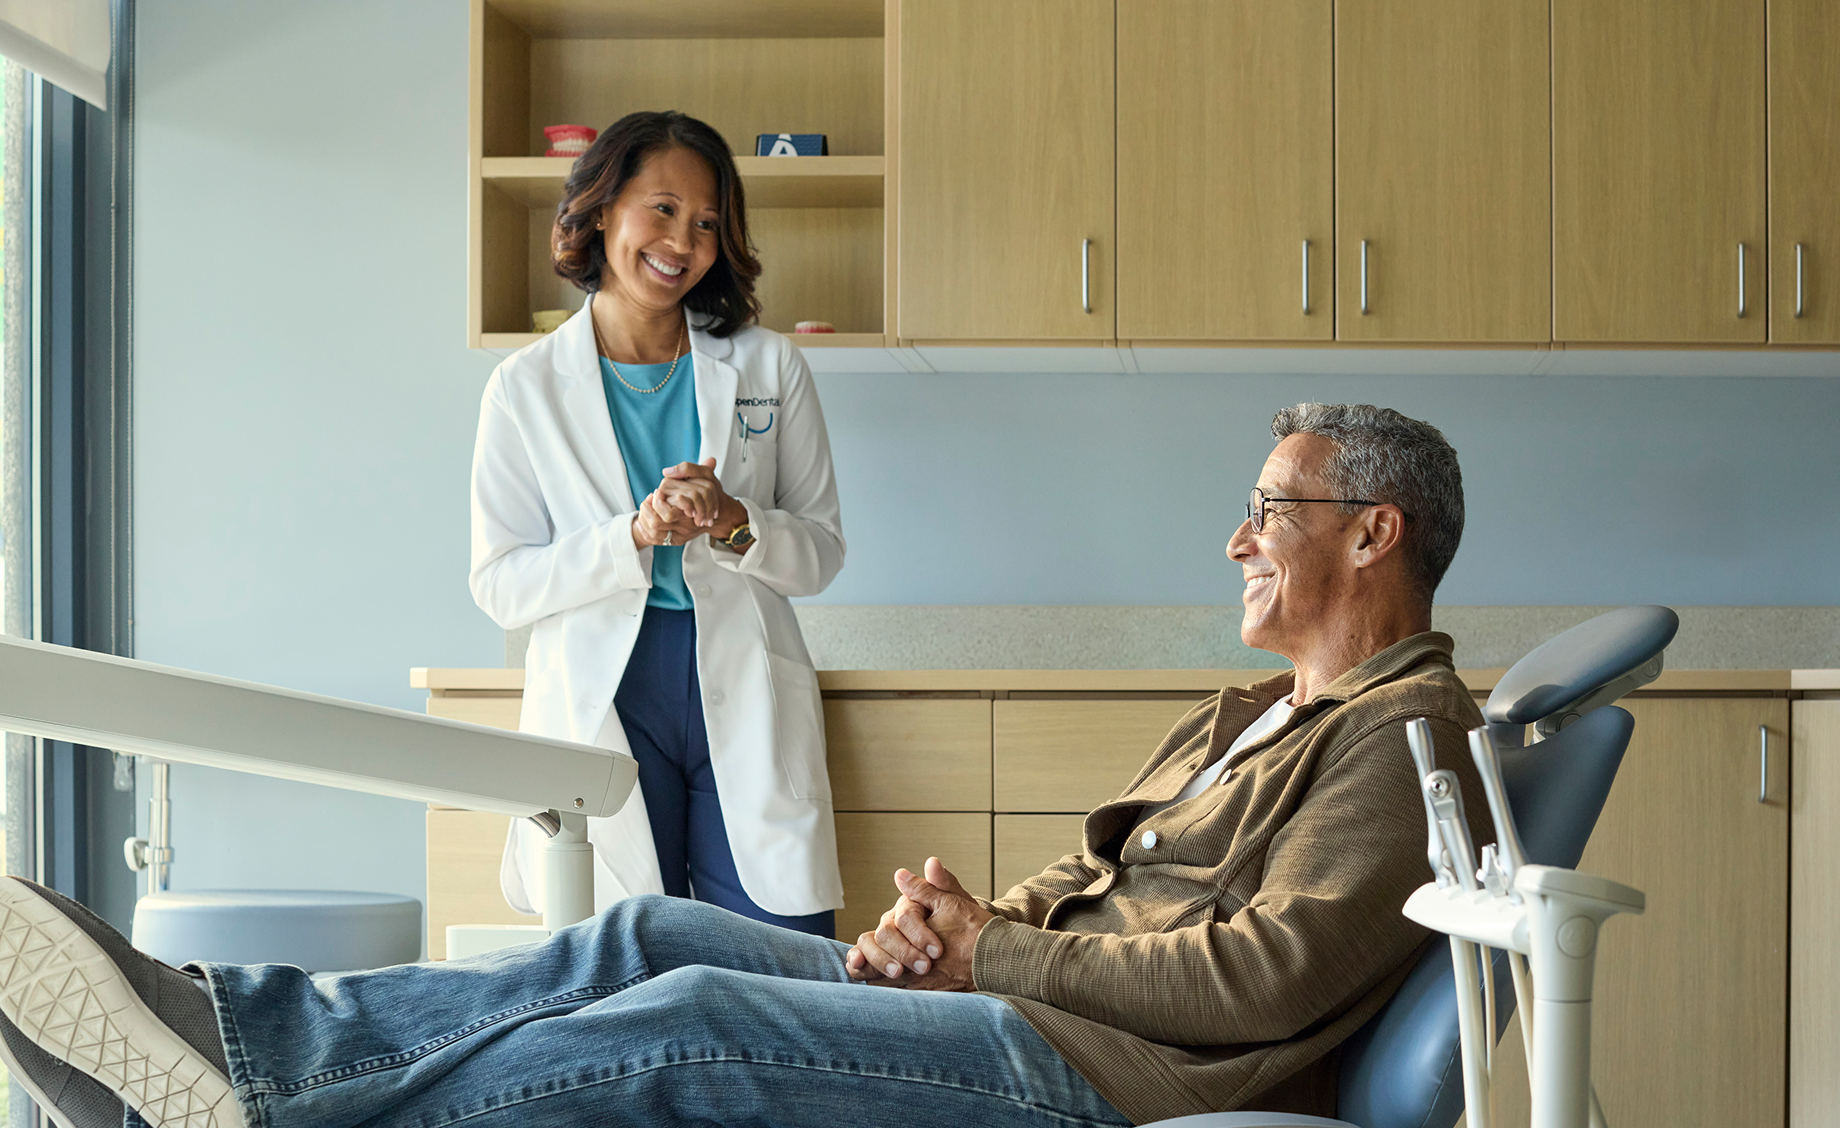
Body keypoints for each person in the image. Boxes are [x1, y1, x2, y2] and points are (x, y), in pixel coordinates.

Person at [0, 404, 1492, 1128]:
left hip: (1106, 1076)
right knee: (643, 930)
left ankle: (249, 1109)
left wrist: (997, 957)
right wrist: (951, 931)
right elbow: (1097, 886)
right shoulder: (1249, 712)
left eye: (1270, 509)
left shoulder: (1404, 732)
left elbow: (1266, 980)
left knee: (697, 1019)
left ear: (1375, 533)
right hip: (1029, 1003)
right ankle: (233, 1036)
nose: (1239, 538)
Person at [470, 111, 845, 937]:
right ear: (602, 207)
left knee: (784, 969)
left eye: (709, 221)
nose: (686, 239)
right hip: (609, 691)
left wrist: (734, 521)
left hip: (741, 680)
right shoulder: (524, 387)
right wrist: (630, 537)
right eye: (664, 208)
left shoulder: (767, 364)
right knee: (624, 969)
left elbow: (819, 550)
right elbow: (501, 583)